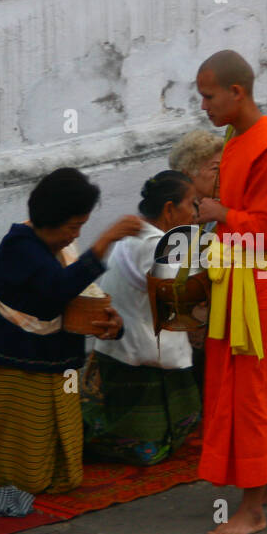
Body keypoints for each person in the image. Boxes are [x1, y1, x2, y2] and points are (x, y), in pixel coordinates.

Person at [195, 49, 267, 534]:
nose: (204, 106)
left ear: (237, 93)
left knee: (254, 397)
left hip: (261, 287)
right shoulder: (236, 139)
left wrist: (219, 213)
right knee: (238, 390)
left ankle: (252, 508)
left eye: (208, 96)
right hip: (239, 282)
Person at [0, 168, 140, 495]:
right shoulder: (18, 247)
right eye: (73, 227)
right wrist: (105, 241)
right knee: (27, 480)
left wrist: (110, 324)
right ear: (50, 219)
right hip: (19, 366)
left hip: (62, 368)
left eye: (79, 227)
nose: (74, 236)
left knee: (67, 472)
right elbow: (54, 296)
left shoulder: (60, 253)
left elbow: (78, 300)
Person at [83, 170, 203, 466]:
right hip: (142, 352)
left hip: (115, 348)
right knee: (153, 446)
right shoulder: (160, 245)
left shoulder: (133, 234)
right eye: (192, 203)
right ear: (169, 209)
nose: (197, 212)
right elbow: (178, 304)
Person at [168, 129, 226, 204]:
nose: (225, 175)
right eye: (215, 168)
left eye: (225, 167)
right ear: (187, 174)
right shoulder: (175, 213)